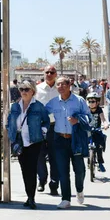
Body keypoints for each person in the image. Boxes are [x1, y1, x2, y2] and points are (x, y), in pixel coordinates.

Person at [46, 77, 91, 209]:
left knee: (80, 170)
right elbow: (42, 112)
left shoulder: (79, 101)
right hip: (59, 139)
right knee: (62, 171)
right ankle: (65, 199)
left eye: (63, 84)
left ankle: (79, 189)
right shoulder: (53, 102)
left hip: (75, 140)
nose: (60, 87)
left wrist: (78, 120)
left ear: (69, 85)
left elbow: (89, 117)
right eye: (58, 84)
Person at [7, 79, 50, 209]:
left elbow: (46, 121)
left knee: (31, 169)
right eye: (21, 89)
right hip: (19, 142)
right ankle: (29, 195)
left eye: (27, 89)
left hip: (34, 141)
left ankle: (31, 198)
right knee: (24, 170)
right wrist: (11, 135)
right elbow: (10, 122)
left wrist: (43, 131)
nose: (24, 92)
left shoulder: (38, 106)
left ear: (33, 91)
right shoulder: (14, 106)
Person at [35, 65, 60, 195]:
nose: (49, 74)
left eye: (52, 72)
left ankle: (54, 183)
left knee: (55, 156)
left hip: (56, 127)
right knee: (39, 155)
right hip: (40, 126)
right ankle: (42, 179)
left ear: (56, 74)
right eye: (47, 72)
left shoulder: (61, 89)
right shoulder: (37, 89)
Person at [86, 91, 108, 172]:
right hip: (88, 130)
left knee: (99, 146)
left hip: (97, 130)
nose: (91, 103)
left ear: (97, 102)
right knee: (84, 143)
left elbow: (103, 119)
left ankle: (100, 162)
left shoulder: (99, 110)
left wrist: (105, 124)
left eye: (93, 101)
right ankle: (89, 159)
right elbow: (83, 118)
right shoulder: (87, 110)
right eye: (89, 101)